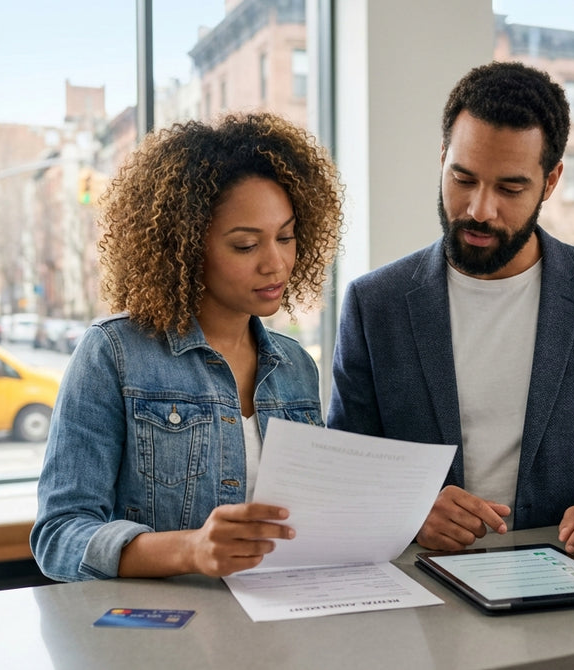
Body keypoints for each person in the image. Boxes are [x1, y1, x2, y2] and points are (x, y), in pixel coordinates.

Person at [326, 61, 574, 561]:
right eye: (463, 178)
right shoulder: (375, 304)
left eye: (510, 188)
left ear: (551, 180)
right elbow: (346, 467)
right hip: (421, 591)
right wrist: (405, 508)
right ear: (442, 159)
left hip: (565, 580)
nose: (480, 209)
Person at [32, 113, 343, 582]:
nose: (276, 263)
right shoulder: (113, 353)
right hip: (165, 639)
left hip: (278, 626)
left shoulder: (295, 365)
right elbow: (59, 536)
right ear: (186, 247)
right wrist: (190, 550)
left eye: (286, 237)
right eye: (245, 246)